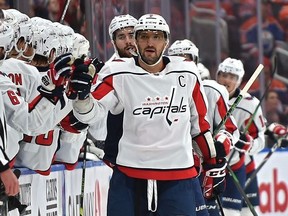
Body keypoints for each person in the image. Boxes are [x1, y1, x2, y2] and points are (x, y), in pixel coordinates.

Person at [69, 14, 228, 216]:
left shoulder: (187, 73)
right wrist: (81, 97)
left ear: (166, 41)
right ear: (136, 41)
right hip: (130, 175)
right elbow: (91, 115)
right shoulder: (116, 73)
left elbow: (200, 127)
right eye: (143, 36)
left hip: (179, 174)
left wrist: (211, 163)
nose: (150, 42)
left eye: (157, 36)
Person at [168, 39, 240, 216]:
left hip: (204, 170)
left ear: (195, 61)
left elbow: (230, 129)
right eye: (176, 58)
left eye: (186, 58)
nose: (181, 62)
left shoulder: (212, 91)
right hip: (170, 169)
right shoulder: (156, 89)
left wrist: (222, 144)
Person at [216, 57, 266, 216]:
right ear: (217, 75)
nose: (226, 80)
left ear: (239, 81)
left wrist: (247, 144)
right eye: (223, 75)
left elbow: (260, 141)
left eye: (232, 77)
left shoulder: (250, 105)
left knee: (232, 213)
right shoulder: (208, 95)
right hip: (209, 166)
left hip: (234, 166)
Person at [88, 14, 137, 152]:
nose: (128, 41)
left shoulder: (153, 67)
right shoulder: (109, 71)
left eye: (131, 35)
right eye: (121, 37)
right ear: (114, 41)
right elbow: (98, 130)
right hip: (118, 150)